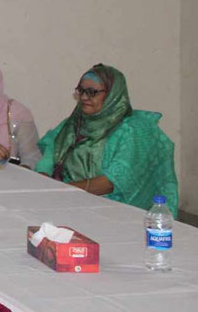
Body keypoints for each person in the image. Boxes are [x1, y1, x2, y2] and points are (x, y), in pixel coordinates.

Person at [34, 65, 178, 215]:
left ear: (112, 95)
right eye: (81, 91)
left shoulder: (134, 129)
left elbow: (110, 183)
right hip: (69, 198)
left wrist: (62, 191)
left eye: (92, 92)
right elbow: (50, 155)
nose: (84, 97)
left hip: (116, 209)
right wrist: (44, 179)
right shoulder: (73, 123)